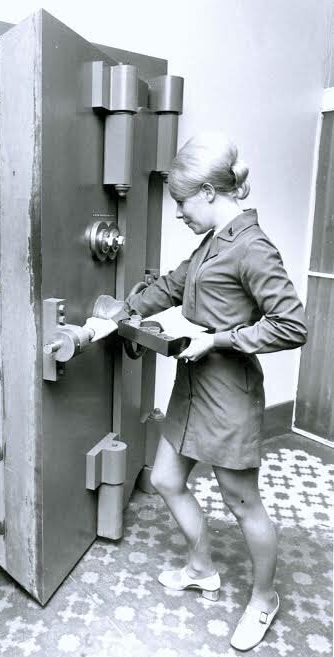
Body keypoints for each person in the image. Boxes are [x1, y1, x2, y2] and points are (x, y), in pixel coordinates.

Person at [94, 132, 307, 652]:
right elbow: (172, 284)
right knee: (166, 478)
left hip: (229, 392)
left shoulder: (253, 248)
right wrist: (125, 312)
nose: (179, 213)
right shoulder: (213, 242)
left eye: (181, 202)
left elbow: (292, 324)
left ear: (210, 192)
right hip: (191, 386)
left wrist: (219, 339)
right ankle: (202, 567)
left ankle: (263, 599)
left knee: (242, 502)